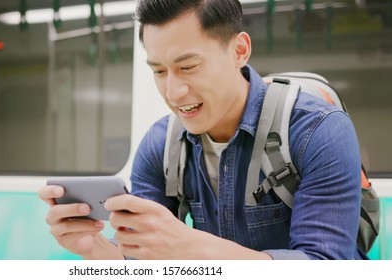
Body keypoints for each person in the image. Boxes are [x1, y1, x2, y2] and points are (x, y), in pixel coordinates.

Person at [38, 0, 363, 260]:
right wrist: (94, 249)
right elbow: (139, 263)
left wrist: (190, 247)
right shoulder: (160, 145)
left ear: (239, 51)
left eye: (188, 67)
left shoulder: (320, 131)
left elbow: (325, 264)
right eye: (160, 71)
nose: (173, 91)